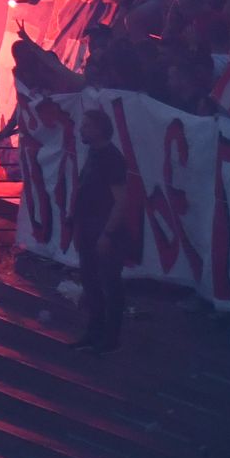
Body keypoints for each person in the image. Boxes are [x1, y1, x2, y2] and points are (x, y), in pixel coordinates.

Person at [70, 108, 138, 353]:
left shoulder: (112, 158)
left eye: (86, 126)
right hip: (88, 227)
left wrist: (107, 233)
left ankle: (110, 339)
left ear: (99, 129)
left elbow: (121, 199)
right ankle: (94, 332)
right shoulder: (94, 154)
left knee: (109, 282)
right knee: (90, 282)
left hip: (105, 230)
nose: (81, 130)